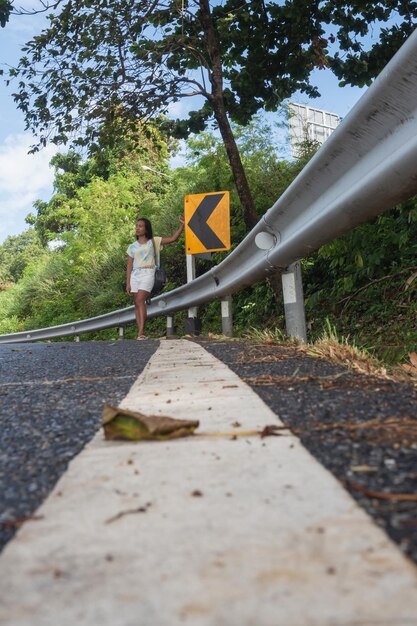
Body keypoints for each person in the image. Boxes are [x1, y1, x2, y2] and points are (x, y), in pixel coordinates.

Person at [126, 215, 185, 340]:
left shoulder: (153, 241)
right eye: (136, 226)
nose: (137, 228)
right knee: (136, 303)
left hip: (148, 273)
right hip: (135, 275)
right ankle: (140, 331)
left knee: (139, 301)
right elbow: (129, 265)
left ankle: (141, 333)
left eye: (140, 226)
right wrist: (128, 283)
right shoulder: (132, 247)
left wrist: (182, 226)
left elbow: (173, 239)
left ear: (146, 229)